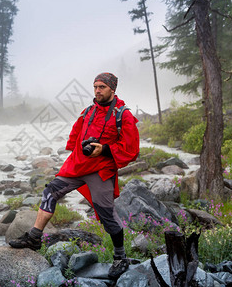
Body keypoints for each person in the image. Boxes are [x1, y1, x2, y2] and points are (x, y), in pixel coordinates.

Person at [9, 72, 140, 279]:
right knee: (50, 192)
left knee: (106, 214)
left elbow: (131, 149)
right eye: (95, 86)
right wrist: (80, 149)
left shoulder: (123, 115)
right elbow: (76, 135)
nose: (97, 90)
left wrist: (104, 149)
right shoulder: (88, 111)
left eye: (102, 87)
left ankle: (120, 256)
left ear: (113, 90)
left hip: (101, 171)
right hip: (78, 166)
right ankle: (34, 237)